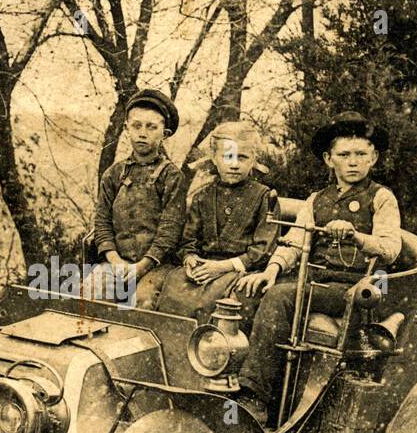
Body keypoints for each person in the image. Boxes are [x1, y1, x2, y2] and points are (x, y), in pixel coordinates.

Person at [233, 111, 403, 421]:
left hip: (354, 288)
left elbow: (390, 249)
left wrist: (356, 236)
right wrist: (270, 270)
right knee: (248, 292)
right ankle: (229, 378)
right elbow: (294, 243)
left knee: (281, 297)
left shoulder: (381, 198)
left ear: (374, 158)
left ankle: (254, 397)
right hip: (315, 279)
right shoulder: (316, 200)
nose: (353, 162)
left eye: (361, 154)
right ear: (328, 159)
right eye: (344, 155)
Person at [154, 122, 276, 325]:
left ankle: (211, 343)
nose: (234, 164)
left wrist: (222, 267)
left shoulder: (264, 196)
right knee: (175, 292)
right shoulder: (202, 196)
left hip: (240, 269)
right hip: (204, 267)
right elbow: (189, 240)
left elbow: (263, 249)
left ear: (253, 159)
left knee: (223, 304)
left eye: (242, 157)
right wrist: (190, 259)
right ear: (214, 158)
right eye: (227, 157)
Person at [87, 89, 188, 308]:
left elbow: (170, 232)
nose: (143, 133)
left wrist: (142, 266)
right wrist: (115, 261)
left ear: (165, 133)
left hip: (157, 267)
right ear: (126, 128)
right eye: (137, 126)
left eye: (151, 127)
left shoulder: (172, 177)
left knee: (143, 300)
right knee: (90, 293)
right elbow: (102, 223)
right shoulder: (113, 175)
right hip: (116, 263)